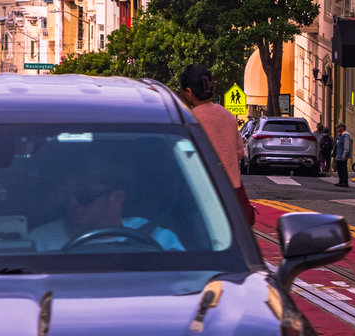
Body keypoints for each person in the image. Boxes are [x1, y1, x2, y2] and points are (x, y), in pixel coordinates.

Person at [30, 164, 184, 252]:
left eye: (85, 196)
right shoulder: (39, 241)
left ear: (116, 198)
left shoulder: (158, 239)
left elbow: (185, 284)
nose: (72, 202)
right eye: (66, 195)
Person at [178, 63, 253, 225]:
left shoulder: (189, 119)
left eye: (182, 91)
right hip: (233, 193)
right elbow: (239, 152)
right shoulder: (227, 115)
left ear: (189, 92)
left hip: (203, 196)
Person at [333, 123, 352, 188]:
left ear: (342, 128)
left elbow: (346, 146)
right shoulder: (340, 136)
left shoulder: (345, 136)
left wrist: (344, 154)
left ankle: (344, 182)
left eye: (338, 127)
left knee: (343, 168)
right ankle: (341, 181)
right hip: (339, 155)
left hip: (342, 155)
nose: (337, 129)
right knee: (339, 169)